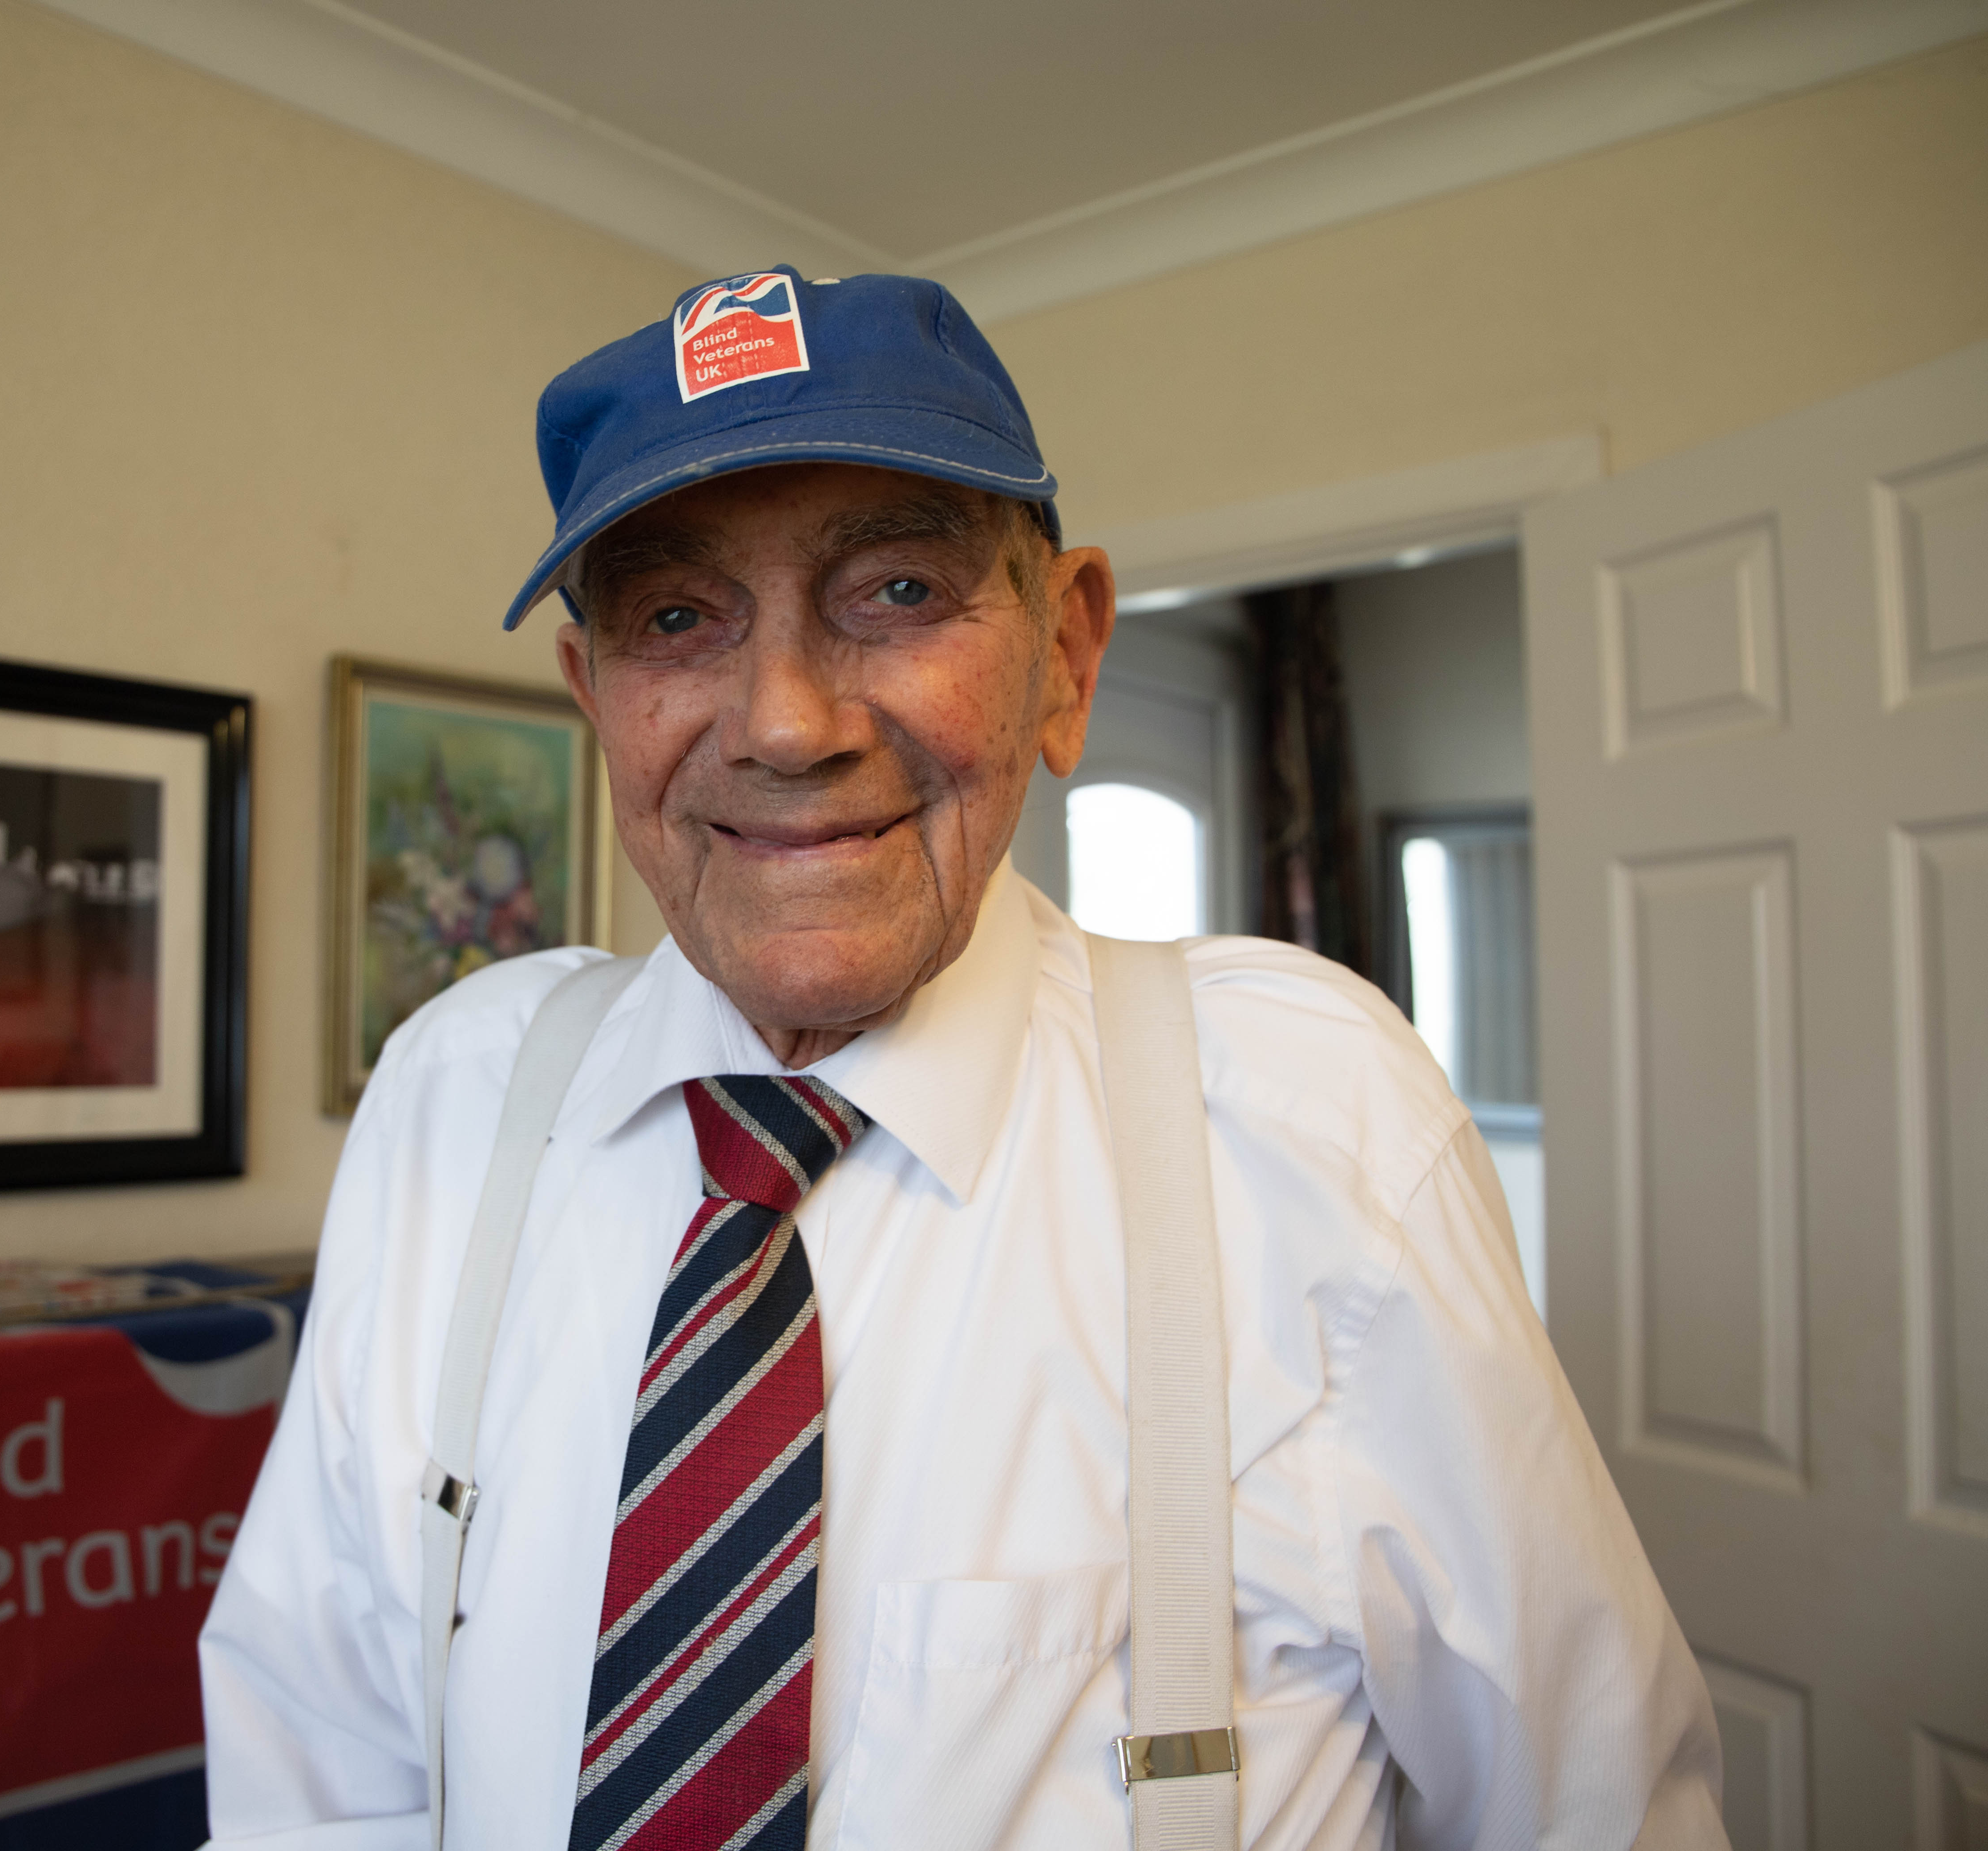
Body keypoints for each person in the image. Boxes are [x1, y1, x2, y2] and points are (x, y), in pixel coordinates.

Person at [200, 268, 1723, 1850]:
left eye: (900, 592)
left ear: (1063, 656)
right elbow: (322, 1758)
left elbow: (1594, 1816)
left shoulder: (1297, 1116)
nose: (786, 722)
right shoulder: (461, 1093)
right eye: (674, 617)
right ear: (598, 703)